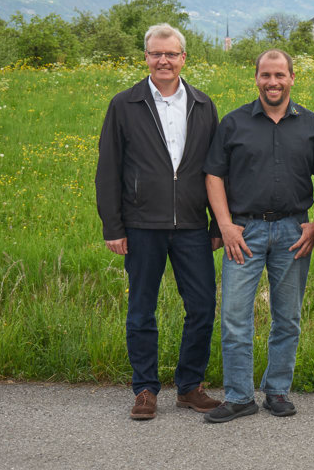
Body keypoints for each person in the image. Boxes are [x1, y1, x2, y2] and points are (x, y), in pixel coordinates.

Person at [95, 23, 222, 420]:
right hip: (141, 224)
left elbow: (217, 171)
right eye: (155, 53)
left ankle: (189, 387)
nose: (163, 60)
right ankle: (145, 389)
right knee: (141, 310)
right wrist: (113, 226)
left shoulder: (203, 105)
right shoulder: (125, 104)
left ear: (184, 57)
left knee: (202, 307)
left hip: (191, 225)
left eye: (170, 53)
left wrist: (219, 225)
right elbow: (109, 168)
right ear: (146, 57)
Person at [202, 49, 314, 423]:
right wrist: (224, 225)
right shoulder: (233, 123)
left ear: (292, 78)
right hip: (244, 231)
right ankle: (240, 396)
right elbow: (213, 176)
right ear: (255, 78)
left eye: (280, 75)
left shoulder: (311, 124)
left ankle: (277, 390)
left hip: (294, 231)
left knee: (287, 317)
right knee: (235, 316)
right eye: (265, 75)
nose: (273, 82)